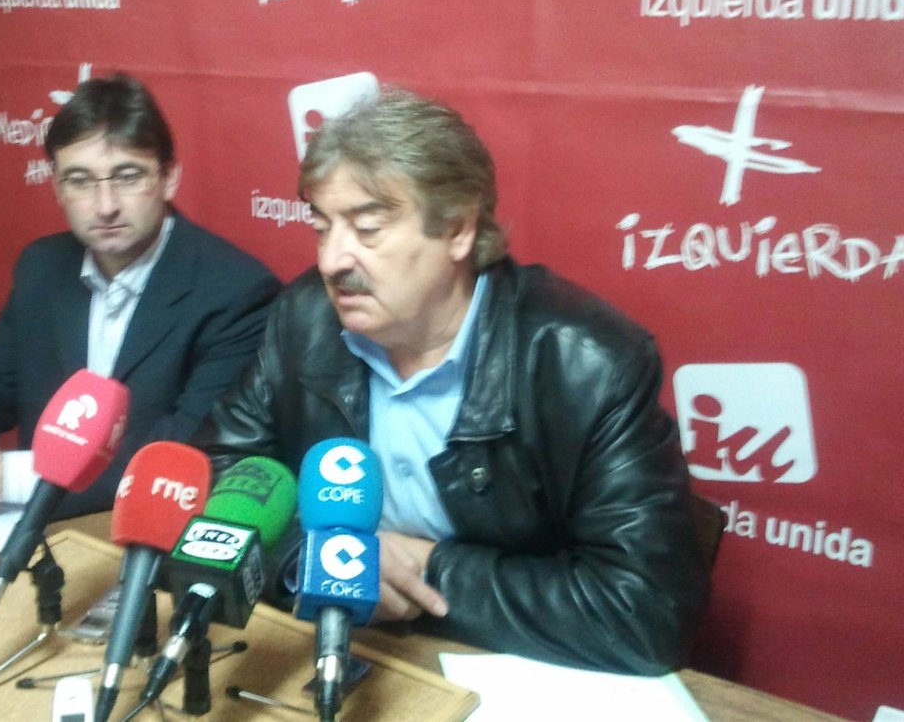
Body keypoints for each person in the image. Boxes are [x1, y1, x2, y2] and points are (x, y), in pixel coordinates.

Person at [194, 87, 711, 674]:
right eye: (322, 228)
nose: (333, 260)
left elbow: (646, 610)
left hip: (504, 673)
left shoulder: (586, 364)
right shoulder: (304, 318)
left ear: (459, 230)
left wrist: (429, 569)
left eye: (368, 228)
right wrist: (317, 562)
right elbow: (219, 476)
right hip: (346, 650)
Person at [0, 73, 280, 518]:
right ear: (56, 187)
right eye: (80, 181)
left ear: (169, 178)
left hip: (148, 529)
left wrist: (7, 478)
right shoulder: (42, 266)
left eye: (127, 176)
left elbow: (188, 452)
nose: (105, 205)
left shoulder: (236, 292)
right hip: (37, 530)